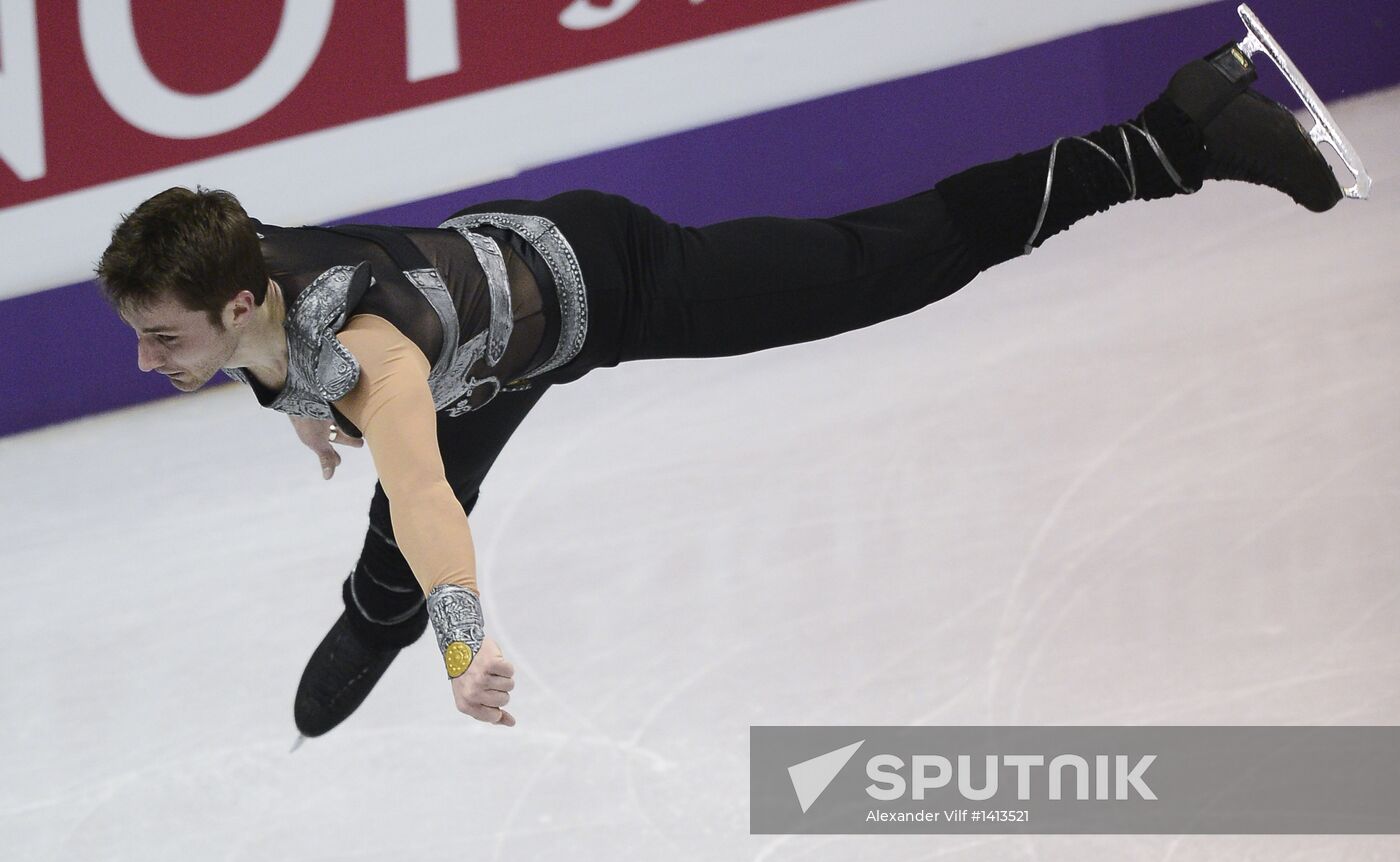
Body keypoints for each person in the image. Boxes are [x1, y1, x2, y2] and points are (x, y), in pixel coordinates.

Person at [94, 27, 1364, 742]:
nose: (146, 359)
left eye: (162, 338)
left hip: (611, 277)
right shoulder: (241, 265)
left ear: (245, 301)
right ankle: (367, 617)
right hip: (487, 316)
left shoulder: (372, 347)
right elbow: (291, 351)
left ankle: (1174, 133)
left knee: (893, 261)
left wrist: (464, 641)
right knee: (382, 495)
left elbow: (425, 489)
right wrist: (297, 398)